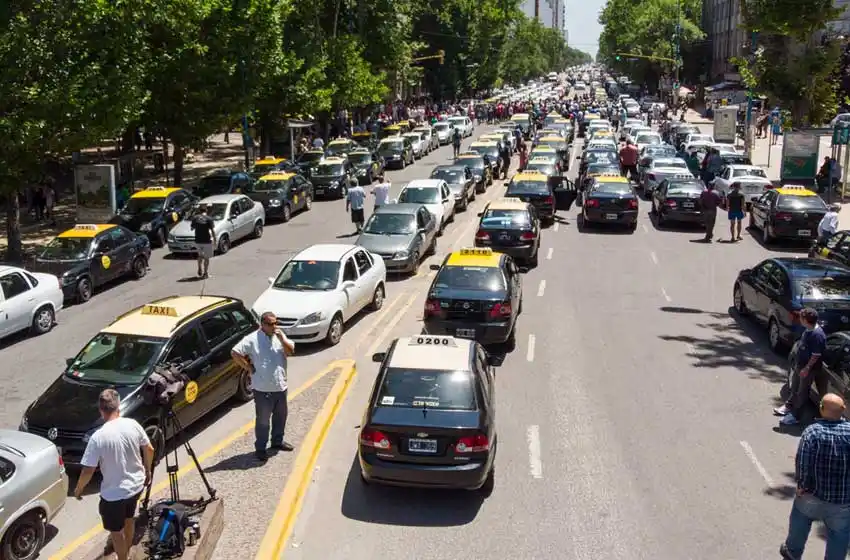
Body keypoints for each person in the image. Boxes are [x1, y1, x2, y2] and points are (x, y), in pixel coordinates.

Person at [73, 389, 154, 560]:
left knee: (116, 532)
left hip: (113, 495)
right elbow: (149, 449)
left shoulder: (98, 437)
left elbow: (88, 470)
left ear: (101, 410)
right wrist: (147, 471)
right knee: (129, 518)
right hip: (136, 486)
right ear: (118, 406)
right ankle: (129, 550)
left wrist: (79, 489)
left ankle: (123, 558)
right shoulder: (133, 424)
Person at [779, 392, 850, 560]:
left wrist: (802, 486)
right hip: (843, 502)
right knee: (839, 535)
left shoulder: (812, 432)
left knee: (800, 520)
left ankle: (792, 552)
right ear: (843, 410)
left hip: (813, 495)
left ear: (822, 409)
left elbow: (803, 462)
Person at [231, 312, 295, 461]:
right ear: (263, 324)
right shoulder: (252, 339)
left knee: (281, 417)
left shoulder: (279, 336)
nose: (274, 326)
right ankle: (260, 448)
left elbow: (290, 352)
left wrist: (281, 339)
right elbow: (235, 352)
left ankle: (277, 442)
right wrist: (248, 368)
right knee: (263, 421)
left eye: (275, 323)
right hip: (262, 389)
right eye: (271, 324)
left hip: (280, 387)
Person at [775, 308, 827, 426]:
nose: (800, 319)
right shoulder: (808, 329)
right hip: (800, 365)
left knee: (802, 392)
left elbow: (816, 355)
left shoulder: (817, 335)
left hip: (808, 369)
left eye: (801, 318)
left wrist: (807, 368)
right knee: (794, 387)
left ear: (806, 320)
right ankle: (789, 407)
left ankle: (796, 417)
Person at [190, 204, 216, 279]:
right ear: (206, 210)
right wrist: (214, 240)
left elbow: (192, 228)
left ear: (199, 210)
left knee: (200, 255)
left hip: (198, 240)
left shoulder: (195, 218)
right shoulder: (209, 219)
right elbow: (212, 230)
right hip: (206, 240)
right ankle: (205, 273)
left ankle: (199, 267)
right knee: (207, 257)